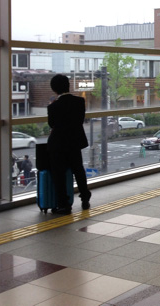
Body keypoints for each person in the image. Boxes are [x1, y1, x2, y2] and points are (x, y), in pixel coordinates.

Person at [47, 74, 91, 214]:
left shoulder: (53, 106)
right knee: (78, 170)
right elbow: (80, 120)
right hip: (74, 142)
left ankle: (64, 204)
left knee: (58, 174)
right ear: (68, 85)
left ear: (54, 89)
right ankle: (85, 197)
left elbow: (52, 124)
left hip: (58, 144)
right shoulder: (79, 101)